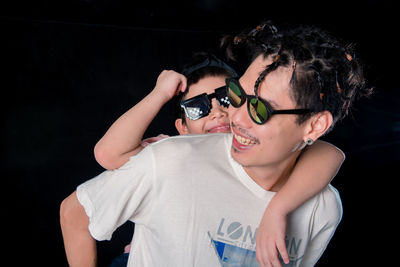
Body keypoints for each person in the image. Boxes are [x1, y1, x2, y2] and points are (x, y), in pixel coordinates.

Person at [60, 22, 371, 267]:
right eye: (237, 95)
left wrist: (278, 208)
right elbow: (79, 206)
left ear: (315, 126)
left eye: (259, 109)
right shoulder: (170, 160)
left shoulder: (323, 209)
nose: (235, 117)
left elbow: (329, 154)